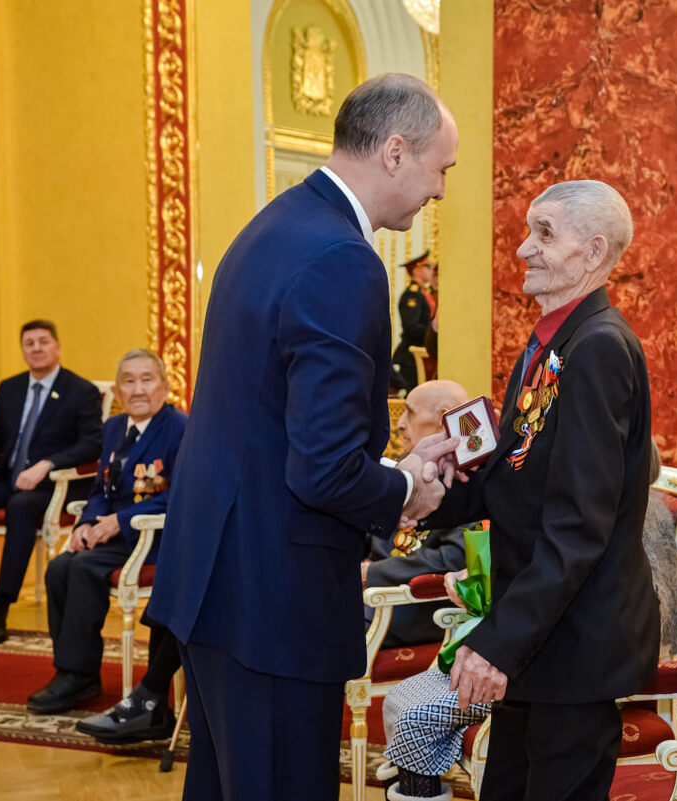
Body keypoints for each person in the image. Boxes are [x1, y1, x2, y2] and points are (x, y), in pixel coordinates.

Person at [146, 73, 459, 801]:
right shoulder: (341, 260)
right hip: (272, 598)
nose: (440, 191)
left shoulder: (277, 225)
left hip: (220, 577)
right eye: (440, 168)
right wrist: (408, 485)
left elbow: (275, 422)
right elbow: (322, 469)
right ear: (393, 152)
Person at [410, 180, 659, 801]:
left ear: (593, 251)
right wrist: (438, 493)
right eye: (529, 231)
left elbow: (579, 525)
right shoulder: (550, 339)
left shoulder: (599, 347)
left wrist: (497, 644)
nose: (524, 249)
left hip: (573, 644)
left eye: (544, 233)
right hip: (537, 635)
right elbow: (515, 476)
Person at [379, 440, 677, 801]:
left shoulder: (614, 526)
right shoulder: (580, 513)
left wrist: (485, 593)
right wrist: (478, 583)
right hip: (523, 660)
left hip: (550, 671)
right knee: (403, 698)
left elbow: (561, 598)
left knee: (417, 714)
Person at [26, 349, 186, 714]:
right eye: (129, 381)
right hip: (113, 536)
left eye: (147, 379)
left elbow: (182, 496)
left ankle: (77, 674)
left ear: (164, 386)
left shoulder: (180, 428)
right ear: (116, 392)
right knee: (59, 567)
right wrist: (86, 523)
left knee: (82, 568)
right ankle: (75, 672)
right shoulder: (114, 428)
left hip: (156, 539)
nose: (139, 389)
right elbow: (100, 488)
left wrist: (121, 520)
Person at [0, 320, 103, 647]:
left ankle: (2, 604)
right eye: (29, 343)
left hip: (53, 486)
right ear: (23, 349)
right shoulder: (10, 388)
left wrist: (47, 464)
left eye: (43, 341)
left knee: (20, 506)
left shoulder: (81, 391)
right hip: (8, 478)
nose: (36, 348)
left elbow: (91, 444)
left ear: (57, 346)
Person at [365, 379, 471, 647]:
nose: (400, 424)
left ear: (443, 418)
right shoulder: (401, 469)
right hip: (369, 597)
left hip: (409, 606)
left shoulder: (464, 478)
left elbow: (455, 556)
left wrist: (373, 573)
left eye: (410, 413)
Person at [391, 252, 437, 392]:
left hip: (424, 353)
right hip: (412, 357)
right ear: (417, 270)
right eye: (427, 266)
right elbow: (411, 326)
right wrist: (432, 335)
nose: (431, 270)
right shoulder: (412, 294)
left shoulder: (425, 293)